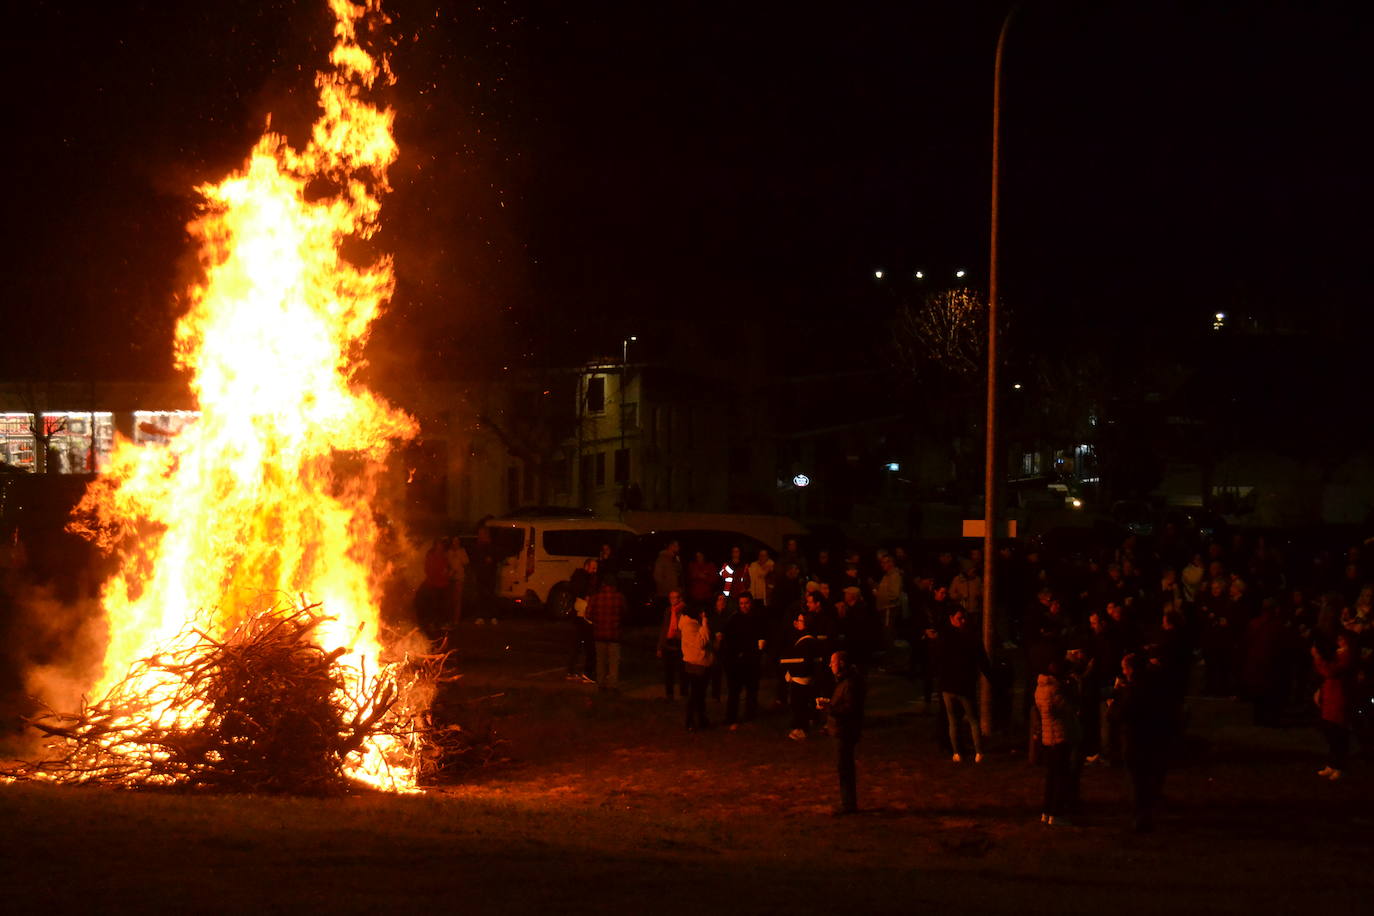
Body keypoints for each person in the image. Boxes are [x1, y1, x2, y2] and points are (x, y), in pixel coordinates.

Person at [1110, 652, 1173, 832]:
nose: (1123, 671)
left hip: (1135, 739)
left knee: (1138, 780)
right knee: (1150, 777)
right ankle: (1151, 809)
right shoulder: (1155, 684)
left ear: (1130, 669)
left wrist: (1113, 704)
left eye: (1124, 668)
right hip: (1155, 737)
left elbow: (1122, 714)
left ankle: (1142, 817)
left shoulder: (1134, 689)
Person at [930, 607, 992, 763]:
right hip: (963, 685)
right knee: (971, 719)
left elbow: (937, 659)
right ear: (951, 618)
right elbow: (982, 661)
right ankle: (976, 753)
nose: (963, 621)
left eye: (964, 618)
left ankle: (957, 753)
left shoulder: (945, 637)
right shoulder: (970, 637)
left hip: (948, 685)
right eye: (960, 618)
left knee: (954, 720)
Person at [819, 650, 866, 815]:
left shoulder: (850, 683)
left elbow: (849, 708)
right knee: (844, 767)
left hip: (845, 731)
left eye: (833, 662)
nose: (830, 665)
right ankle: (848, 804)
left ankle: (849, 805)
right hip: (841, 729)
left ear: (842, 664)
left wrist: (829, 708)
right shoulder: (844, 681)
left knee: (845, 768)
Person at [1036, 662, 1080, 827]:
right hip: (1059, 737)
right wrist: (1072, 688)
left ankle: (1046, 811)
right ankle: (1057, 813)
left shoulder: (1041, 688)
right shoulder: (1055, 691)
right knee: (1060, 777)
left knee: (1051, 777)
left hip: (1049, 738)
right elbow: (1070, 708)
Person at [1313, 631, 1357, 781]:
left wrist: (1319, 658)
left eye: (1342, 638)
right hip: (1332, 694)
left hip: (1340, 696)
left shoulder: (1347, 656)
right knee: (1330, 730)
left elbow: (1331, 671)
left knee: (1338, 732)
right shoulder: (1338, 654)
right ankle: (1332, 763)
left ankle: (1340, 766)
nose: (1340, 641)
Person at [722, 591, 766, 727]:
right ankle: (731, 718)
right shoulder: (734, 619)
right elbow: (728, 640)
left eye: (746, 603)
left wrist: (762, 643)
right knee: (734, 692)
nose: (744, 606)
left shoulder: (758, 618)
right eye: (741, 603)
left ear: (750, 603)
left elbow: (764, 633)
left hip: (752, 660)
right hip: (737, 662)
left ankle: (750, 715)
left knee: (752, 690)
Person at [781, 611, 820, 740]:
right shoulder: (803, 638)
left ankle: (801, 729)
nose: (797, 622)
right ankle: (798, 727)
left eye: (800, 620)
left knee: (799, 705)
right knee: (797, 704)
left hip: (801, 678)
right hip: (799, 677)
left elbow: (804, 661)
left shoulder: (808, 641)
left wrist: (792, 672)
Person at [587, 581, 626, 692]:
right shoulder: (619, 597)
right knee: (613, 661)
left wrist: (597, 621)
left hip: (599, 634)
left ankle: (601, 684)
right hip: (614, 634)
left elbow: (588, 614)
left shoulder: (595, 597)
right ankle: (612, 685)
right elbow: (624, 612)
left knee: (600, 660)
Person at [680, 604, 713, 731]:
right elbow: (701, 642)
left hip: (695, 663)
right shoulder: (691, 626)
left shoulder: (689, 625)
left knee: (698, 694)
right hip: (697, 663)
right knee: (696, 694)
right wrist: (704, 625)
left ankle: (700, 720)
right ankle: (691, 721)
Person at [565, 558, 598, 683]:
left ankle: (574, 671)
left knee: (579, 644)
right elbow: (582, 593)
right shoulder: (582, 579)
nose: (595, 570)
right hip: (582, 615)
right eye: (593, 567)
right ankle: (585, 673)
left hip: (581, 615)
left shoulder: (582, 578)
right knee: (586, 645)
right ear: (586, 566)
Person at [656, 589, 688, 700]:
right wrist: (660, 646)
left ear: (679, 598)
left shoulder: (684, 610)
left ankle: (683, 693)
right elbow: (665, 628)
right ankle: (669, 694)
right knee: (668, 671)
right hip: (668, 642)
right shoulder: (668, 611)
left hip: (680, 642)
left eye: (675, 597)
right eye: (671, 598)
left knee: (682, 670)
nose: (672, 600)